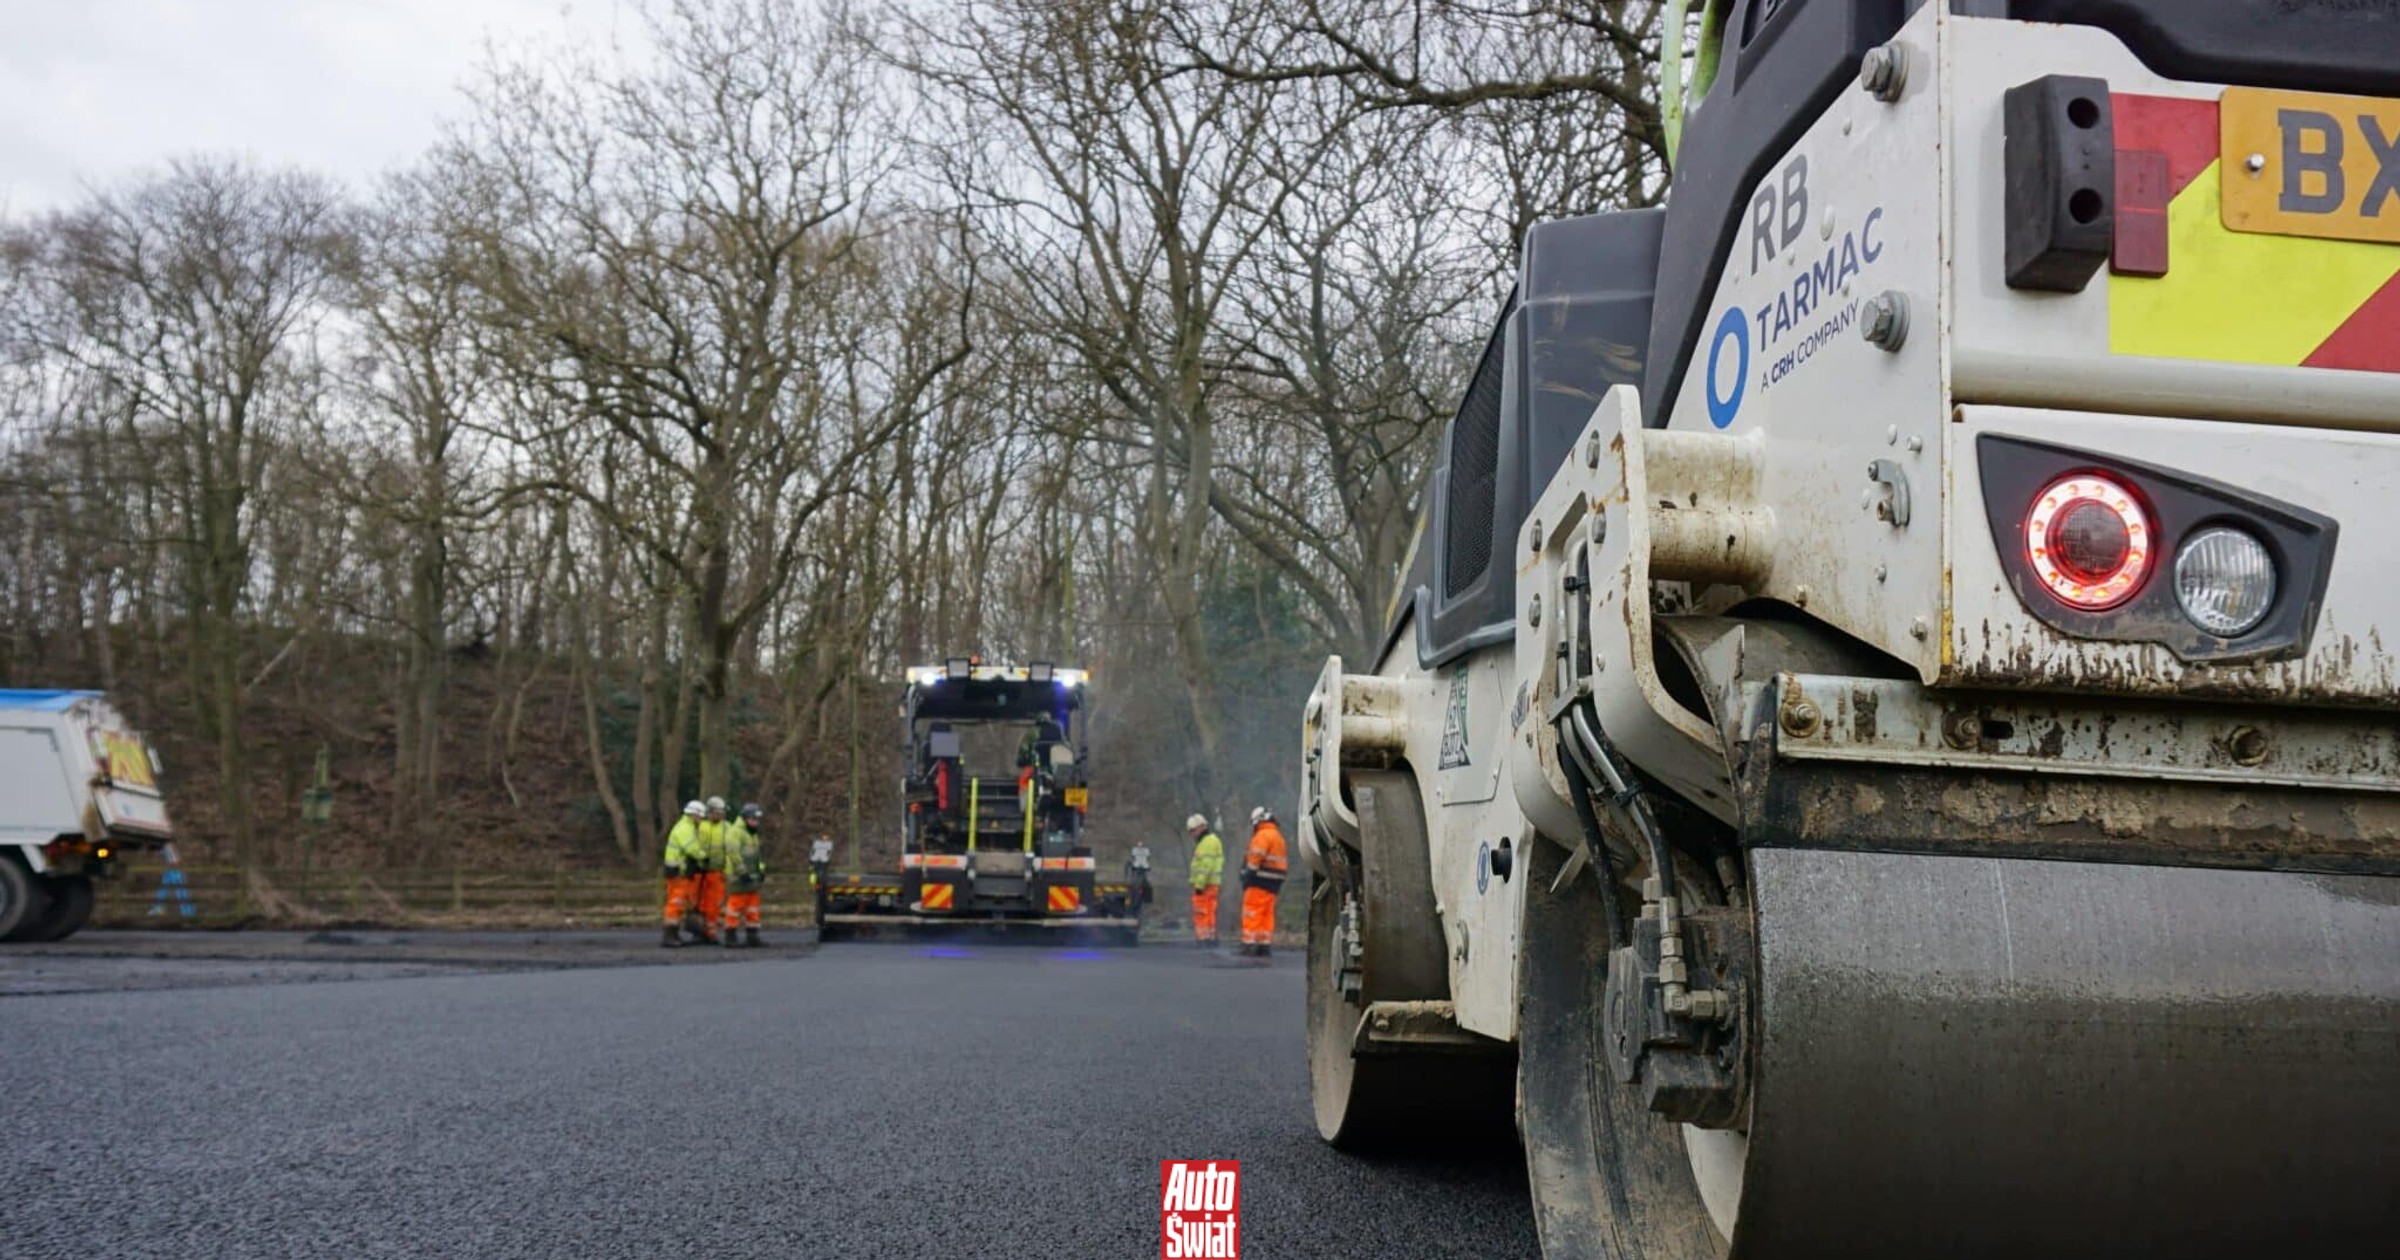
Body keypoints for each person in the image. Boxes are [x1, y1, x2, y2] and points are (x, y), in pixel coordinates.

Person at [1239, 806, 1289, 958]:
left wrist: (1247, 875)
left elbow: (1255, 858)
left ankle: (1248, 943)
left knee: (1251, 911)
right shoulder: (1278, 836)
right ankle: (1263, 944)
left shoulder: (1262, 835)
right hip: (1275, 882)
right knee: (1266, 913)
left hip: (1259, 880)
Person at [721, 803, 768, 948]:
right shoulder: (735, 832)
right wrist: (742, 872)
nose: (755, 822)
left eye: (757, 819)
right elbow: (733, 853)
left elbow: (757, 856)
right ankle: (730, 936)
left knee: (752, 907)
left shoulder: (751, 833)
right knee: (734, 907)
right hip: (738, 877)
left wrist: (761, 870)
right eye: (753, 819)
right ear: (745, 818)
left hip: (751, 877)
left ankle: (752, 935)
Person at [661, 801, 707, 947]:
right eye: (700, 816)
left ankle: (673, 933)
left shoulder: (685, 826)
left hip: (679, 872)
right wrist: (704, 856)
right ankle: (669, 935)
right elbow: (691, 848)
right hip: (678, 873)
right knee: (676, 903)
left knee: (679, 903)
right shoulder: (685, 828)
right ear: (694, 815)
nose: (701, 820)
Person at [692, 797, 730, 944]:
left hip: (716, 872)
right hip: (700, 872)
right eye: (716, 812)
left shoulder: (727, 828)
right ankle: (698, 932)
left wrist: (727, 870)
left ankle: (711, 932)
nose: (719, 815)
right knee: (697, 903)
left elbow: (730, 850)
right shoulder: (700, 826)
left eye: (721, 812)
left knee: (714, 904)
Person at [1185, 814, 1223, 947]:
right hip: (1212, 884)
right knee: (1210, 912)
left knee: (1201, 913)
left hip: (1205, 885)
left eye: (1193, 831)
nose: (1192, 834)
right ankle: (1210, 938)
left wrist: (1199, 884)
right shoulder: (1211, 841)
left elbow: (1206, 865)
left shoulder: (1207, 842)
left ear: (1201, 827)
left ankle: (1203, 939)